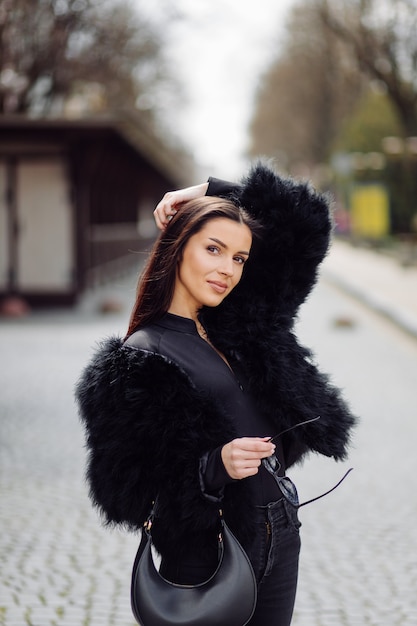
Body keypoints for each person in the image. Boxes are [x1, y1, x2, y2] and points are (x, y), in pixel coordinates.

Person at [76, 162, 357, 626]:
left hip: (280, 531)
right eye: (213, 249)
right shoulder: (139, 358)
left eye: (239, 258)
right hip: (210, 553)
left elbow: (305, 219)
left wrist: (209, 191)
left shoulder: (241, 323)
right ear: (177, 246)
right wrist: (213, 466)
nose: (227, 269)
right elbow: (120, 492)